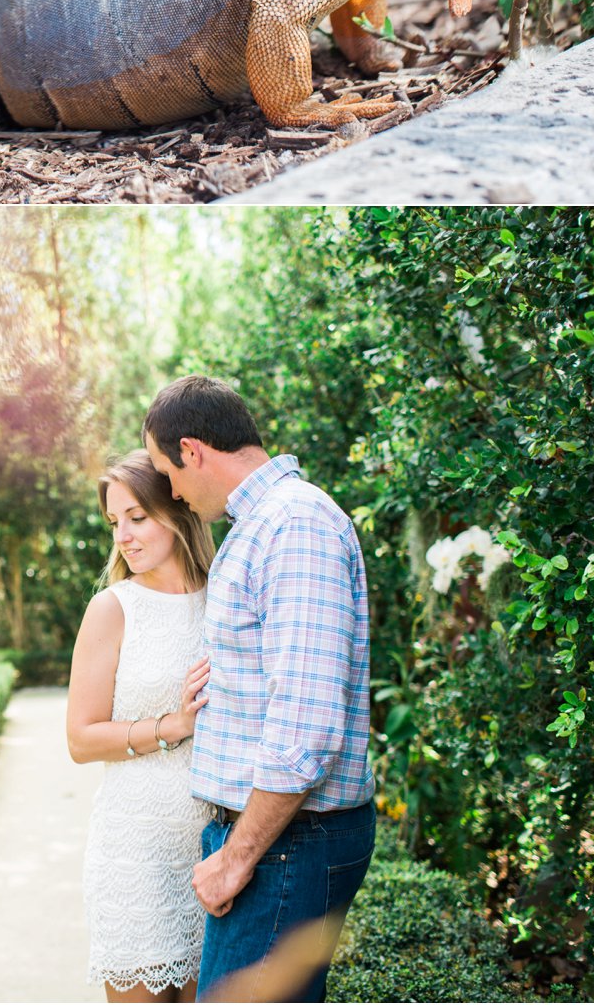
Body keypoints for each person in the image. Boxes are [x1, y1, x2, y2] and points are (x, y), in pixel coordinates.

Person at [143, 376, 375, 1005]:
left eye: (168, 471)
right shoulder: (263, 525)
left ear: (193, 450)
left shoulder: (293, 525)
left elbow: (307, 725)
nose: (173, 491)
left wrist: (238, 856)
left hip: (284, 841)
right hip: (276, 836)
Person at [67, 449, 215, 1003]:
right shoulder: (113, 608)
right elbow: (81, 739)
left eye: (137, 516)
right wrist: (170, 725)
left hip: (214, 846)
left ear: (175, 508)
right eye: (114, 522)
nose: (124, 535)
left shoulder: (225, 596)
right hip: (136, 850)